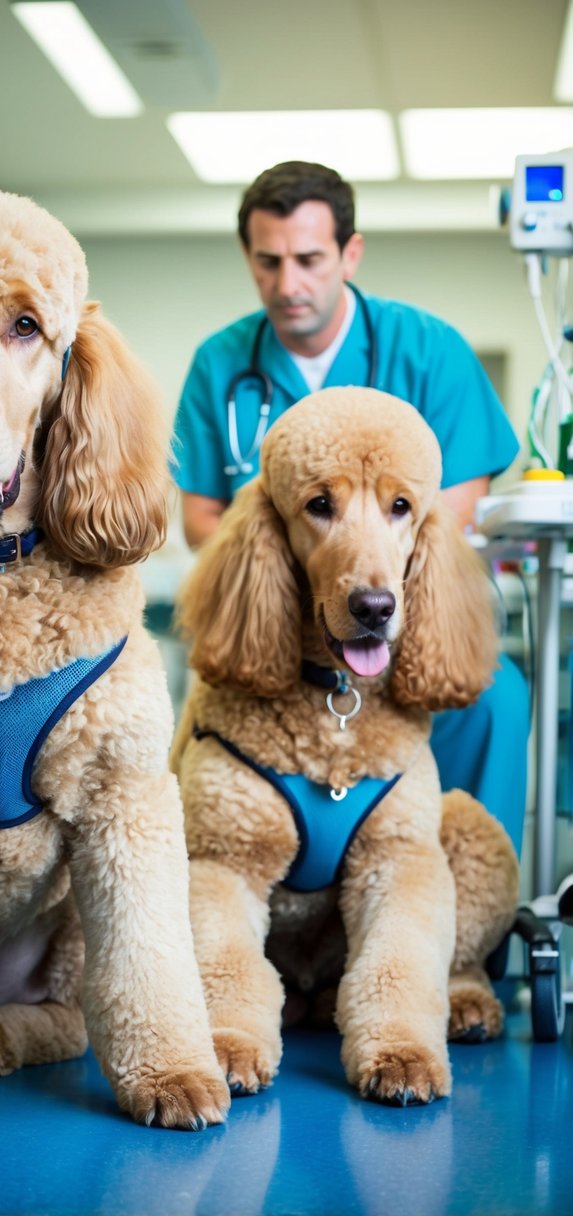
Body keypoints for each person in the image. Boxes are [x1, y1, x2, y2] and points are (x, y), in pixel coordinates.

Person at [172, 160, 528, 855]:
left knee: (495, 701)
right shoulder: (219, 363)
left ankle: (473, 928)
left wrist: (364, 581)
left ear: (349, 253)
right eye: (267, 262)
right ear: (248, 256)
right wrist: (307, 582)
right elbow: (200, 521)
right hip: (285, 623)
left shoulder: (428, 352)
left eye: (308, 259)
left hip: (398, 616)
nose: (287, 285)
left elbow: (448, 518)